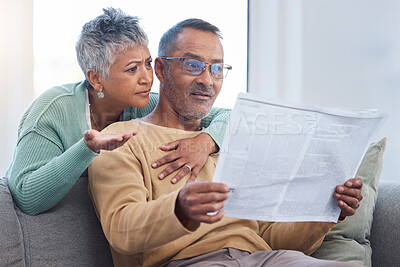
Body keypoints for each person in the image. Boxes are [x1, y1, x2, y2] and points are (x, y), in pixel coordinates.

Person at [88, 18, 364, 267]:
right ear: (161, 69)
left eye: (217, 69)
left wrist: (327, 210)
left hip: (265, 258)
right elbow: (121, 230)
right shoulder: (119, 139)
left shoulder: (231, 140)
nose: (207, 80)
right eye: (193, 65)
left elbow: (271, 237)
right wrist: (179, 208)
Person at [6, 8, 230, 216]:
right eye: (132, 69)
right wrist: (87, 149)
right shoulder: (53, 110)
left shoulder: (145, 103)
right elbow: (26, 196)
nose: (147, 78)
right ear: (96, 78)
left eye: (148, 64)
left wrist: (207, 141)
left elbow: (229, 116)